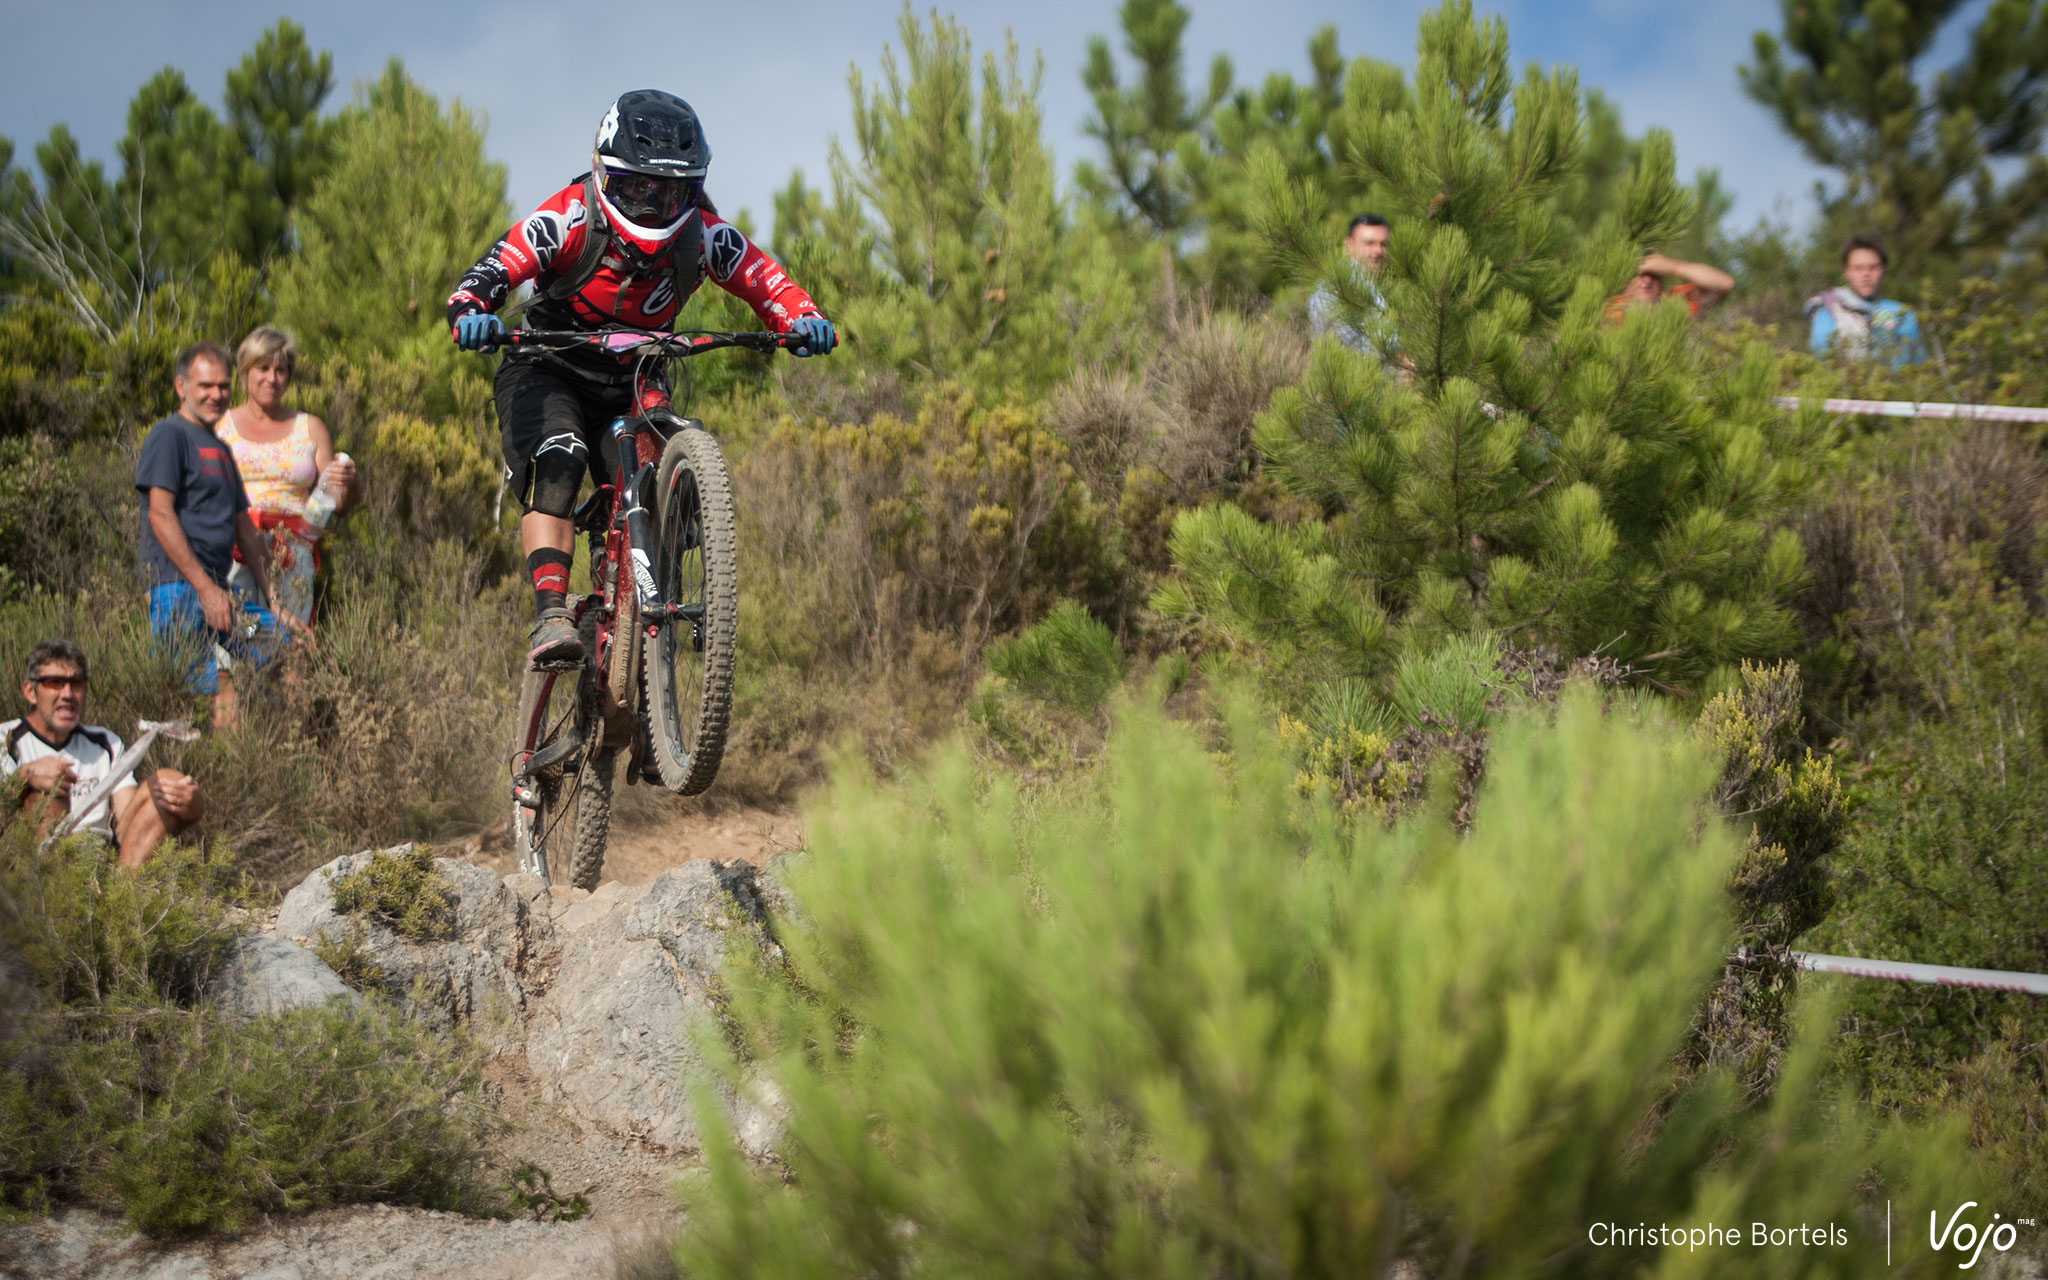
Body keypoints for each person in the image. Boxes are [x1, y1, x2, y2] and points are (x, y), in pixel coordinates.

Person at [446, 89, 837, 669]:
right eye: (637, 188)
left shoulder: (701, 236)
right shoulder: (570, 216)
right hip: (548, 364)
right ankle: (552, 615)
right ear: (606, 173)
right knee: (561, 454)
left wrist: (803, 318)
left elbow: (763, 277)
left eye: (671, 192)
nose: (654, 206)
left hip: (634, 373)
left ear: (694, 190)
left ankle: (655, 642)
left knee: (659, 473)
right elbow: (494, 268)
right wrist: (471, 309)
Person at [137, 342, 288, 728]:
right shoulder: (169, 436)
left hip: (221, 595)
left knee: (277, 645)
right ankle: (210, 778)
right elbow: (159, 515)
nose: (216, 395)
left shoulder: (220, 449)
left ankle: (274, 748)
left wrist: (277, 601)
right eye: (205, 385)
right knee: (201, 696)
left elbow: (246, 532)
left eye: (223, 386)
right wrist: (204, 589)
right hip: (178, 592)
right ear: (181, 387)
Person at [2, 639, 203, 868]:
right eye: (55, 682)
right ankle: (56, 893)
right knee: (47, 787)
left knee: (168, 782)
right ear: (30, 691)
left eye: (76, 683)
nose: (67, 694)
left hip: (100, 865)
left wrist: (189, 804)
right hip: (34, 876)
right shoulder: (5, 740)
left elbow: (129, 816)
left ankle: (128, 894)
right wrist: (25, 776)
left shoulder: (105, 742)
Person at [219, 325, 358, 628]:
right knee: (232, 644)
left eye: (281, 370)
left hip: (293, 553)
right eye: (263, 368)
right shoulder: (220, 426)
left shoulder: (310, 427)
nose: (272, 378)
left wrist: (348, 480)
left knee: (291, 647)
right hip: (232, 550)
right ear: (245, 370)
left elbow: (340, 505)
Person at [1806, 234, 1926, 366]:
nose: (1866, 275)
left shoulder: (1903, 314)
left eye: (1873, 267)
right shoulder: (1829, 310)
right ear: (1846, 271)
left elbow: (1918, 363)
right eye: (1858, 268)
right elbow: (1822, 352)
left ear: (1883, 269)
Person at [1309, 213, 1394, 355]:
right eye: (1369, 243)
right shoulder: (1335, 289)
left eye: (1383, 244)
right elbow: (1351, 347)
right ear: (1348, 245)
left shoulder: (1381, 287)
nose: (1378, 250)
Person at [1606, 251, 1734, 321]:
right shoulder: (1611, 308)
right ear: (1625, 279)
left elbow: (1725, 284)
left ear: (1663, 282)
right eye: (1640, 274)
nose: (1647, 281)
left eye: (1655, 275)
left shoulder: (1674, 300)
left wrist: (1672, 267)